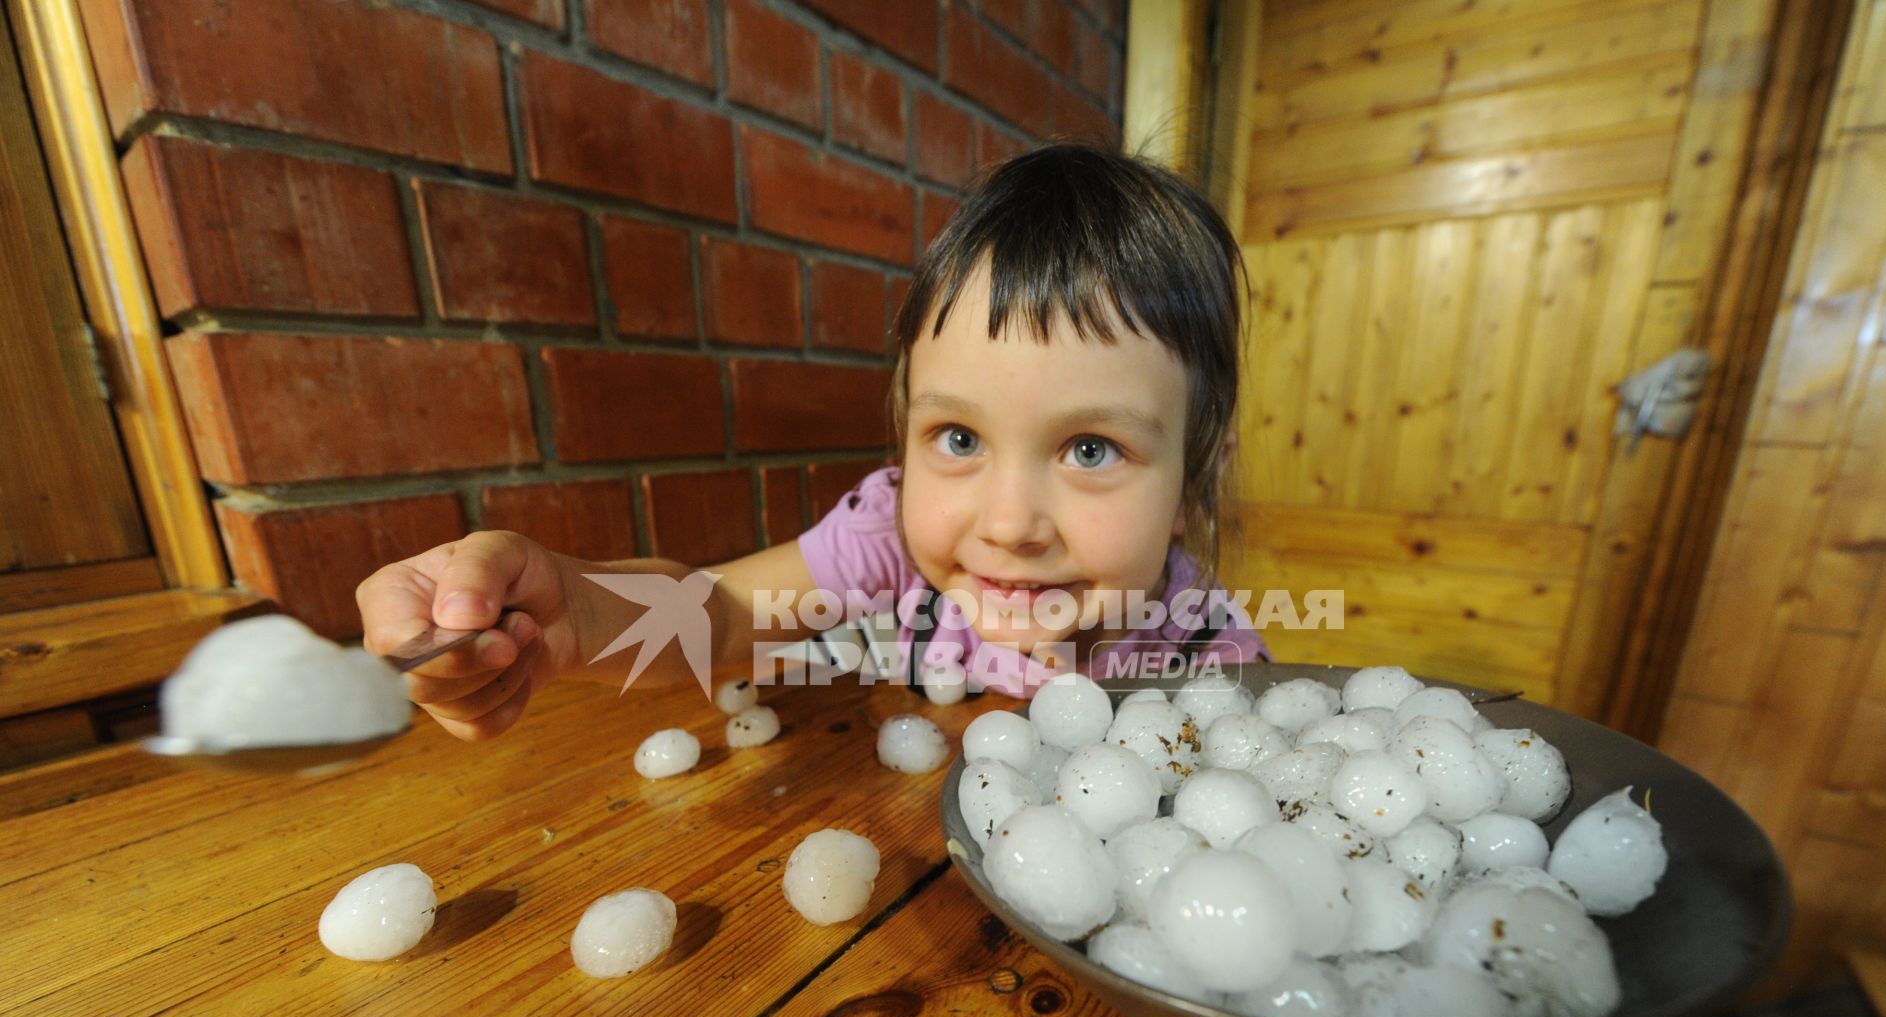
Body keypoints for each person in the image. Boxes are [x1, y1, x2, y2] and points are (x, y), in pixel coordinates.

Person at [355, 143, 1268, 743]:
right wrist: (579, 617)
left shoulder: (1212, 662)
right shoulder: (892, 541)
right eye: (957, 437)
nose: (1010, 523)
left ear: (1196, 478)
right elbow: (718, 618)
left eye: (1091, 451)